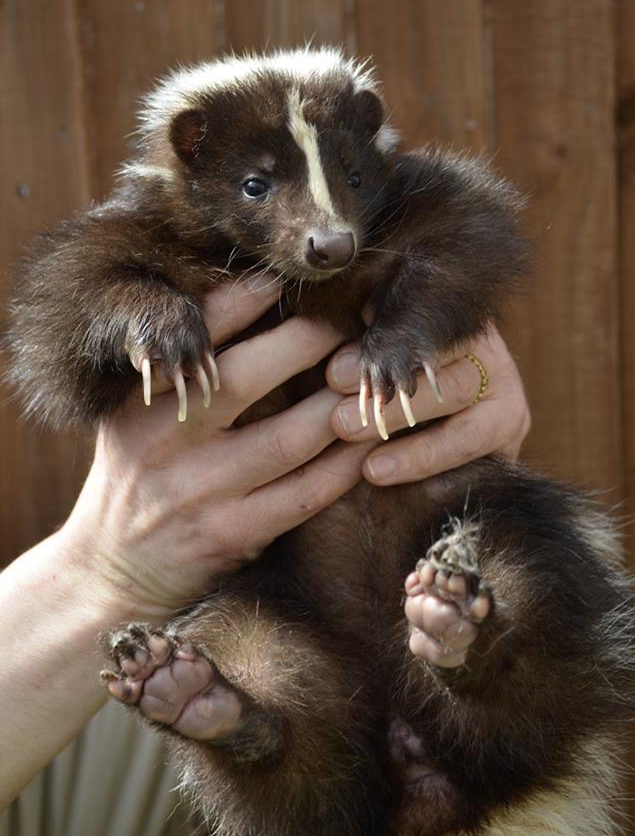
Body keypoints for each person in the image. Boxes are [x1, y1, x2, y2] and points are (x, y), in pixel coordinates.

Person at [0, 276, 530, 832]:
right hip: (276, 641)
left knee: (516, 606)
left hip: (425, 617)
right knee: (261, 682)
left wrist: (451, 329)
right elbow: (59, 358)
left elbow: (468, 241)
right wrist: (104, 570)